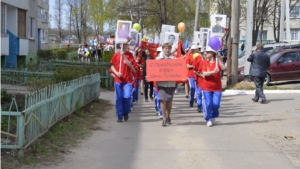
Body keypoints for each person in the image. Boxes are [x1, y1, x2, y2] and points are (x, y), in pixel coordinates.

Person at [110, 43, 139, 122]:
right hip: (118, 80)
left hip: (127, 80)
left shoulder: (130, 55)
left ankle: (126, 112)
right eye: (123, 45)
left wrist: (124, 56)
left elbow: (133, 68)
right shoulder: (116, 55)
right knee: (119, 98)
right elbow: (111, 66)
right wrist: (116, 73)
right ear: (120, 46)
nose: (125, 46)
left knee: (127, 96)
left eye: (126, 45)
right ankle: (119, 116)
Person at [201, 47, 225, 127]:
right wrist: (213, 72)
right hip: (207, 87)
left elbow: (223, 68)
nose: (206, 54)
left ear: (212, 53)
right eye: (206, 52)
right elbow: (204, 73)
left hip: (217, 87)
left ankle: (214, 115)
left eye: (208, 52)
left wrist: (218, 58)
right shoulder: (204, 62)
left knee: (216, 104)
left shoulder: (217, 62)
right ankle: (208, 119)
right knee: (208, 104)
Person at [156, 43, 176, 127]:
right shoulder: (158, 58)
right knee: (162, 100)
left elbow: (178, 69)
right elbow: (153, 68)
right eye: (165, 48)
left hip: (171, 82)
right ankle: (164, 118)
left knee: (169, 101)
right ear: (163, 49)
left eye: (168, 48)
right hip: (161, 82)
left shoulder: (174, 58)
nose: (167, 50)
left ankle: (168, 116)